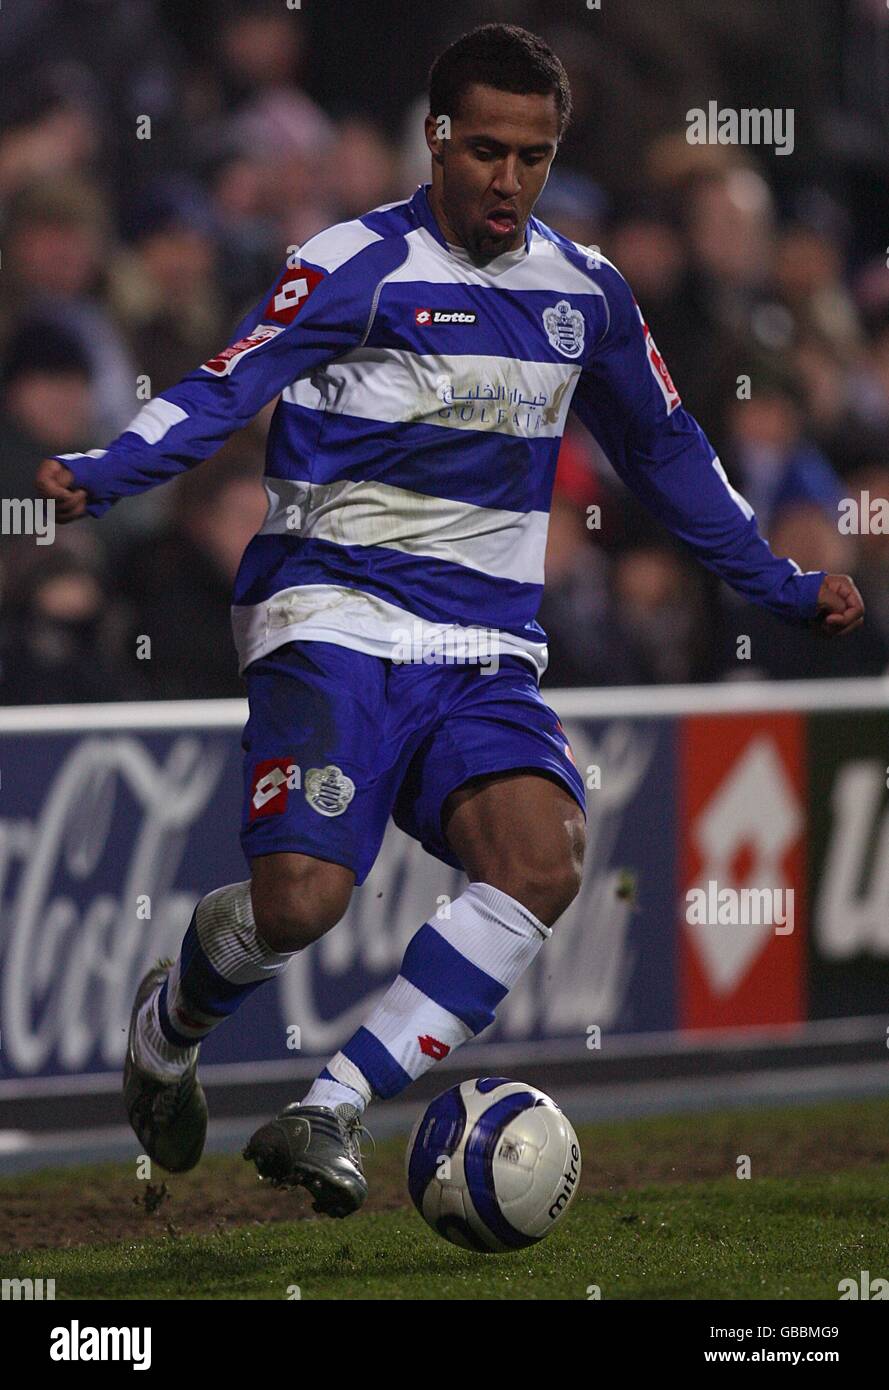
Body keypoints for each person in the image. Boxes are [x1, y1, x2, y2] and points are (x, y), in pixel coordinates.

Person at [36, 23, 864, 1222]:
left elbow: (670, 452)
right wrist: (104, 469)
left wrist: (783, 582)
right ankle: (172, 1024)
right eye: (483, 150)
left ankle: (331, 1106)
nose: (507, 179)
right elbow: (226, 383)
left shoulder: (585, 294)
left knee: (543, 859)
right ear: (435, 140)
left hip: (479, 652)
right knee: (300, 906)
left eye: (532, 155)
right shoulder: (351, 265)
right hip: (331, 615)